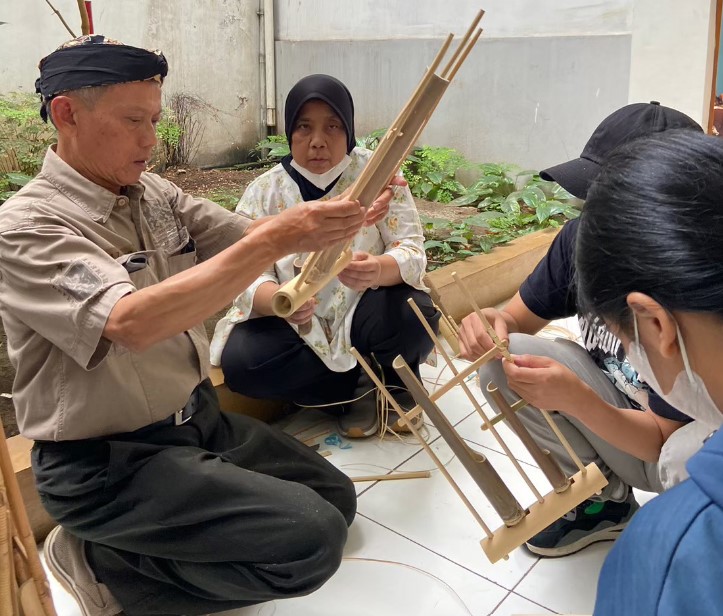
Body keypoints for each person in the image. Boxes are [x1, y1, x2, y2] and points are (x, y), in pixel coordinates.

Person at [1, 36, 400, 616]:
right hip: (107, 463)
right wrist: (281, 234)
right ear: (66, 113)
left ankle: (151, 534)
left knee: (334, 498)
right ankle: (102, 565)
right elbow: (130, 322)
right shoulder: (27, 228)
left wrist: (341, 221)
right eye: (134, 120)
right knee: (310, 545)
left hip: (195, 424)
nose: (151, 139)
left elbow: (246, 237)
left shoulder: (151, 193)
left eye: (155, 120)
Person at [457, 102, 704, 557]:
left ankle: (689, 525)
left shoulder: (683, 285)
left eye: (611, 203)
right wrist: (491, 324)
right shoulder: (583, 238)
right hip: (619, 406)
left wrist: (577, 400)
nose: (594, 214)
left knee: (689, 454)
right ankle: (602, 503)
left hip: (672, 447)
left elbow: (666, 443)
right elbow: (514, 320)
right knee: (506, 360)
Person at [211, 74, 440, 439]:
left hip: (365, 310)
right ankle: (357, 388)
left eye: (332, 126)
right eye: (304, 128)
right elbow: (246, 267)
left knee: (415, 314)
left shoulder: (378, 173)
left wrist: (378, 270)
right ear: (289, 132)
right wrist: (278, 302)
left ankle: (390, 381)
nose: (318, 142)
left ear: (348, 129)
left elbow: (411, 248)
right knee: (244, 363)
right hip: (299, 325)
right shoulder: (264, 191)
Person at [572, 130, 723, 615]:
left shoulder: (677, 548)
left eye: (626, 336)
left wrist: (576, 399)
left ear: (656, 323)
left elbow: (661, 441)